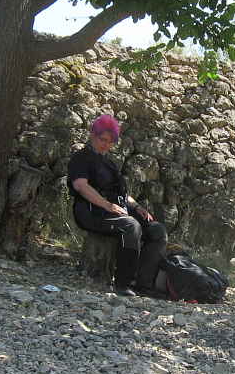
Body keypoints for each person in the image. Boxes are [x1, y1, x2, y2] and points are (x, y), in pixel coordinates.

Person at [67, 114, 167, 296]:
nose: (106, 144)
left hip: (115, 210)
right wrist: (107, 205)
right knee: (131, 226)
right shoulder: (81, 158)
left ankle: (143, 283)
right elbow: (81, 186)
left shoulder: (109, 163)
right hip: (91, 213)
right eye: (102, 139)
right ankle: (123, 283)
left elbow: (122, 194)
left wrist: (137, 207)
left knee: (157, 230)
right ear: (93, 135)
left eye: (110, 141)